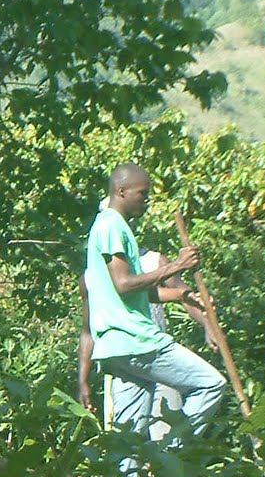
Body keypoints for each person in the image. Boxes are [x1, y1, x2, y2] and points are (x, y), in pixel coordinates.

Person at [85, 164, 226, 448]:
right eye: (143, 194)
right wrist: (178, 265)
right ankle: (168, 454)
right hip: (137, 340)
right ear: (121, 191)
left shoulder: (107, 226)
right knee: (211, 384)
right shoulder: (112, 225)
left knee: (129, 442)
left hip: (116, 347)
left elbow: (139, 293)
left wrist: (185, 297)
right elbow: (123, 284)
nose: (146, 201)